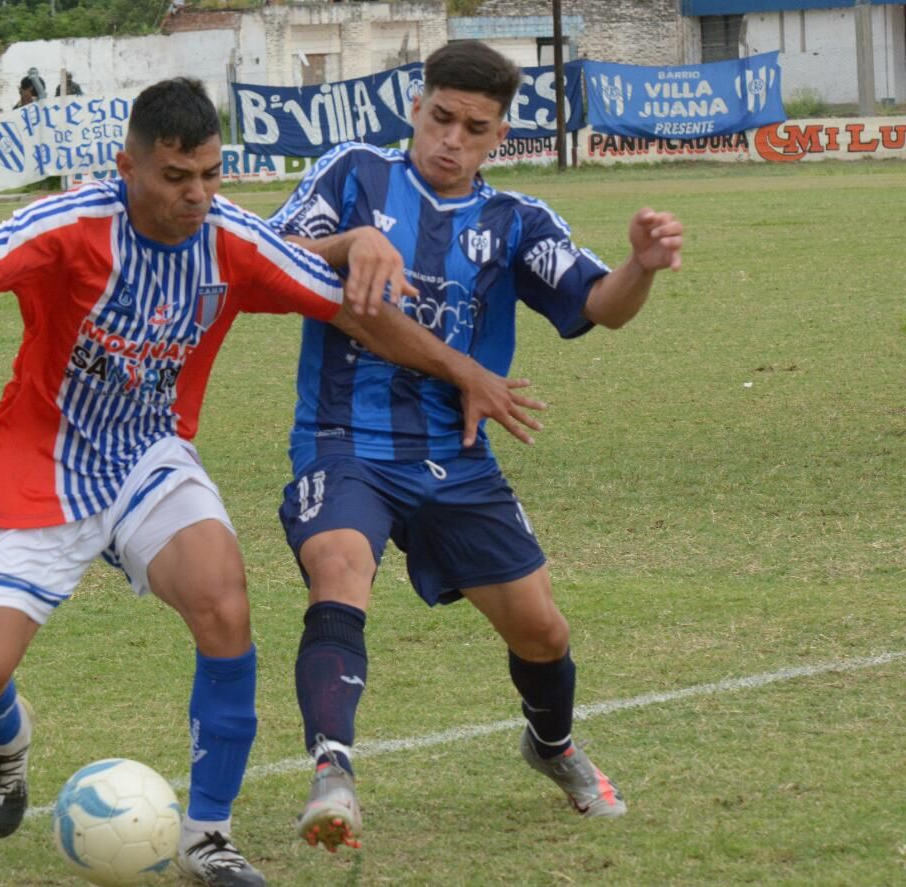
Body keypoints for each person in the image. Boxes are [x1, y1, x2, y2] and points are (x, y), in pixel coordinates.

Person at [0, 77, 537, 887]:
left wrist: (459, 363)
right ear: (127, 166)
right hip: (41, 461)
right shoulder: (76, 224)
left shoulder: (228, 237)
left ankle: (208, 834)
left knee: (223, 599)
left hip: (149, 458)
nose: (197, 195)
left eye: (210, 175)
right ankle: (7, 742)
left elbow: (349, 307)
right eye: (175, 177)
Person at [268, 39, 684, 852]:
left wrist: (639, 266)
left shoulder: (515, 221)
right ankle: (333, 773)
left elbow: (599, 303)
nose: (451, 139)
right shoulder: (355, 174)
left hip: (456, 459)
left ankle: (552, 745)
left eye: (475, 127)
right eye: (441, 117)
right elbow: (272, 258)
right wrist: (351, 245)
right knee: (340, 565)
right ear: (416, 108)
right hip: (344, 436)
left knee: (543, 633)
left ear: (499, 136)